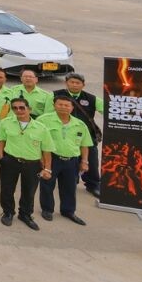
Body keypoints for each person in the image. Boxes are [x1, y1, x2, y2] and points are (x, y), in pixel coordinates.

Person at [0, 98, 55, 230]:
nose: (19, 110)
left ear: (29, 109)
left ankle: (25, 214)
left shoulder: (41, 128)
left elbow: (46, 150)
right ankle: (8, 212)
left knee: (29, 191)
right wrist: (1, 157)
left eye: (22, 108)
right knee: (7, 189)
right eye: (15, 108)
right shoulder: (5, 123)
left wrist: (47, 169)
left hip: (32, 164)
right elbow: (1, 140)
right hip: (10, 161)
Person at [36, 93, 93, 225]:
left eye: (67, 105)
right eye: (60, 104)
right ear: (54, 106)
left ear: (72, 108)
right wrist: (40, 160)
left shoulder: (80, 124)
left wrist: (84, 161)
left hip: (72, 161)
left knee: (70, 187)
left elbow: (85, 144)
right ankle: (47, 209)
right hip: (51, 159)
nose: (63, 107)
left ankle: (68, 211)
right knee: (47, 184)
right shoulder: (43, 120)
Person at [55, 73, 101, 197]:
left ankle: (93, 184)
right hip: (63, 134)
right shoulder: (55, 95)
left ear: (83, 85)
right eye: (72, 82)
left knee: (91, 159)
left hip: (85, 134)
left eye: (77, 83)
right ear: (66, 83)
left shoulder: (91, 98)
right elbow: (48, 113)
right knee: (69, 158)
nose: (74, 85)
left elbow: (107, 110)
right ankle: (71, 180)